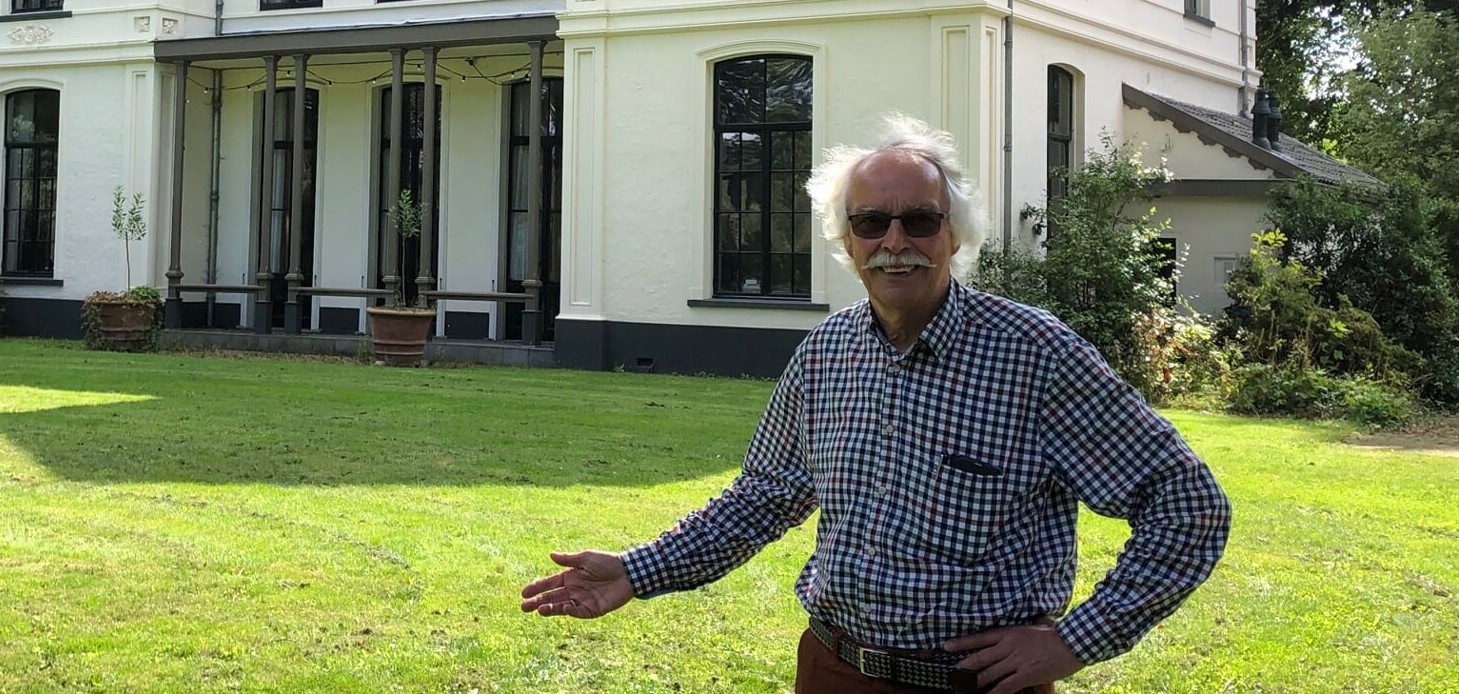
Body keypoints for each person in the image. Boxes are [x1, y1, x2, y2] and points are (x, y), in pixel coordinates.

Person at [520, 114, 1229, 694]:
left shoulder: (1034, 355)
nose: (894, 242)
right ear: (846, 241)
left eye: (918, 220)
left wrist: (1074, 641)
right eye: (870, 223)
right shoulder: (824, 355)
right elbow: (762, 497)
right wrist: (637, 570)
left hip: (975, 685)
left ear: (953, 235)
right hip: (831, 669)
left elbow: (1187, 505)